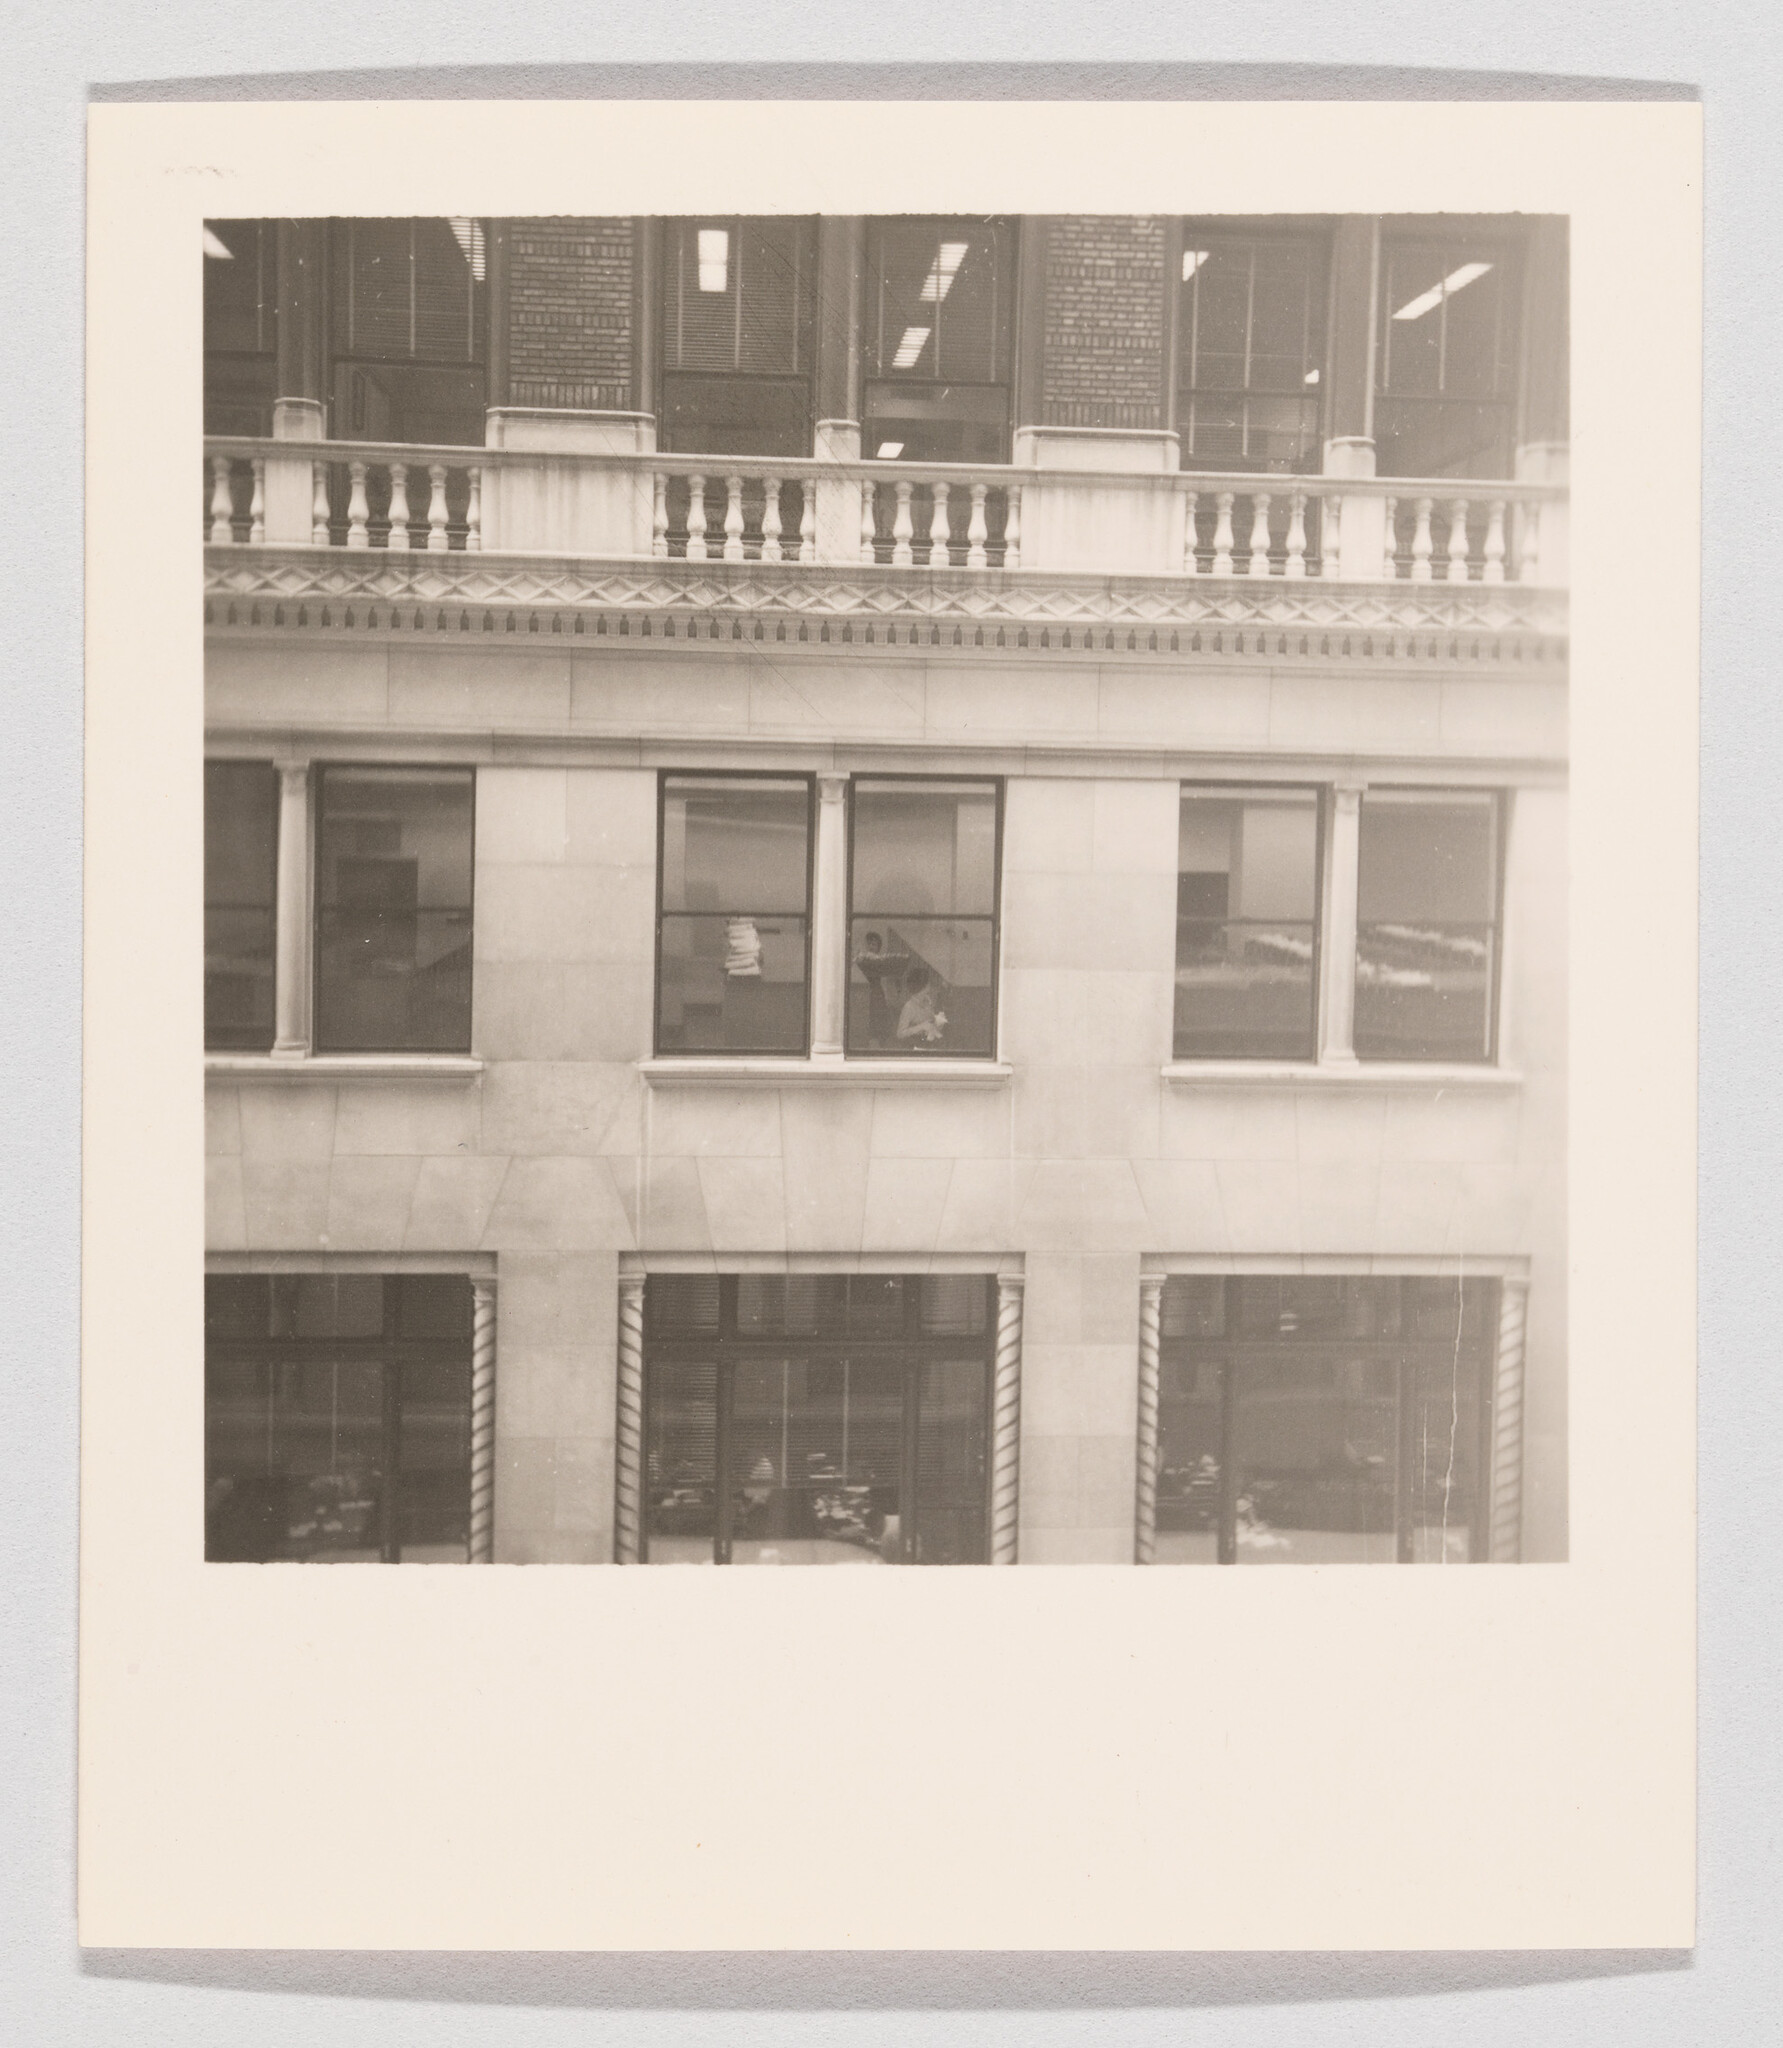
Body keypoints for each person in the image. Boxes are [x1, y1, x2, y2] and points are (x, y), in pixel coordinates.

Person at [853, 927, 911, 1048]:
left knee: (880, 1016)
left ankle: (879, 1041)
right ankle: (872, 1041)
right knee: (870, 1017)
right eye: (869, 943)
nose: (870, 946)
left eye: (874, 944)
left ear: (878, 946)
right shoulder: (864, 958)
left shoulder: (877, 960)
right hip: (868, 992)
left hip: (877, 992)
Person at [896, 963, 947, 1047]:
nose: (930, 986)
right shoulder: (909, 1007)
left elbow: (930, 1024)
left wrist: (938, 1023)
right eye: (928, 983)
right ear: (923, 986)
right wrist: (920, 1027)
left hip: (929, 1043)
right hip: (915, 1047)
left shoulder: (928, 1002)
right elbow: (900, 1034)